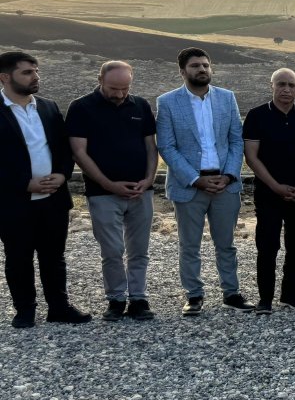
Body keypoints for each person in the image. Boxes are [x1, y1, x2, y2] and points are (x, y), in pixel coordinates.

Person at [156, 47, 252, 316]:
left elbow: (235, 139)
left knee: (227, 243)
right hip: (190, 186)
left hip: (225, 184)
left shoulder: (226, 98)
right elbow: (167, 146)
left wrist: (231, 174)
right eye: (196, 65)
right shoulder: (167, 102)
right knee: (189, 245)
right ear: (182, 71)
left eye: (206, 65)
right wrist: (195, 179)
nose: (202, 70)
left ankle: (231, 293)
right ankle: (194, 295)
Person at [0, 51, 90, 328]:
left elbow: (63, 148)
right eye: (27, 72)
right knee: (18, 257)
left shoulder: (48, 107)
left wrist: (63, 175)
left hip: (53, 198)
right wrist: (24, 183)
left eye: (36, 71)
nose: (35, 77)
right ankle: (25, 310)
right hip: (13, 200)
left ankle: (59, 307)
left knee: (54, 256)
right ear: (5, 77)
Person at [66, 60, 158, 322]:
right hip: (102, 193)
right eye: (113, 88)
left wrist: (149, 179)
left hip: (142, 191)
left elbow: (151, 147)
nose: (119, 94)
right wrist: (108, 184)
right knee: (112, 250)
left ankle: (138, 298)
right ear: (100, 80)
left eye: (125, 88)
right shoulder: (81, 107)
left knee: (139, 248)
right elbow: (78, 152)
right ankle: (116, 299)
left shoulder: (140, 105)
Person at [242, 68, 295, 314]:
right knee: (267, 245)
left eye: (291, 85)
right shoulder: (256, 116)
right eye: (281, 84)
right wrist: (275, 186)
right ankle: (264, 299)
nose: (286, 89)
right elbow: (251, 156)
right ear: (272, 86)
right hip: (268, 193)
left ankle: (291, 295)